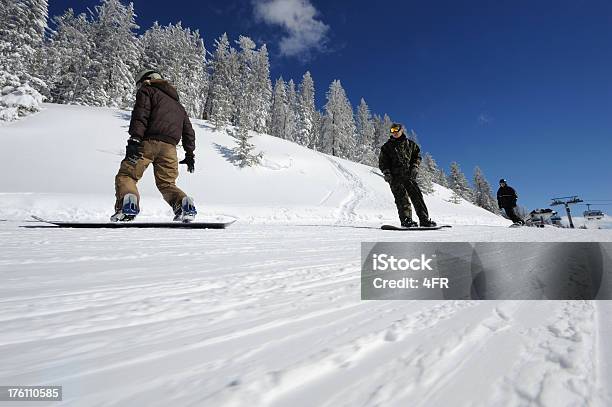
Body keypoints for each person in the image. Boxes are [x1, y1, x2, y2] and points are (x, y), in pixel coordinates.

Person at [111, 69, 197, 222]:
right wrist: (190, 154)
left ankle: (127, 206)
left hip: (147, 143)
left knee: (127, 175)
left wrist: (134, 139)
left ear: (146, 79)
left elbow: (140, 115)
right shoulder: (178, 106)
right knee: (167, 184)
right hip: (170, 149)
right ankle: (184, 205)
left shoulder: (147, 90)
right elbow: (189, 131)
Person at [379, 123, 437, 227]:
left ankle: (424, 220)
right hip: (395, 177)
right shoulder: (386, 147)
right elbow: (383, 162)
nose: (394, 132)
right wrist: (386, 172)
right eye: (392, 131)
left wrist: (415, 166)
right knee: (402, 199)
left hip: (409, 176)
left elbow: (417, 156)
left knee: (417, 197)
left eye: (396, 130)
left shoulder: (410, 144)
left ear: (401, 130)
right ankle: (406, 221)